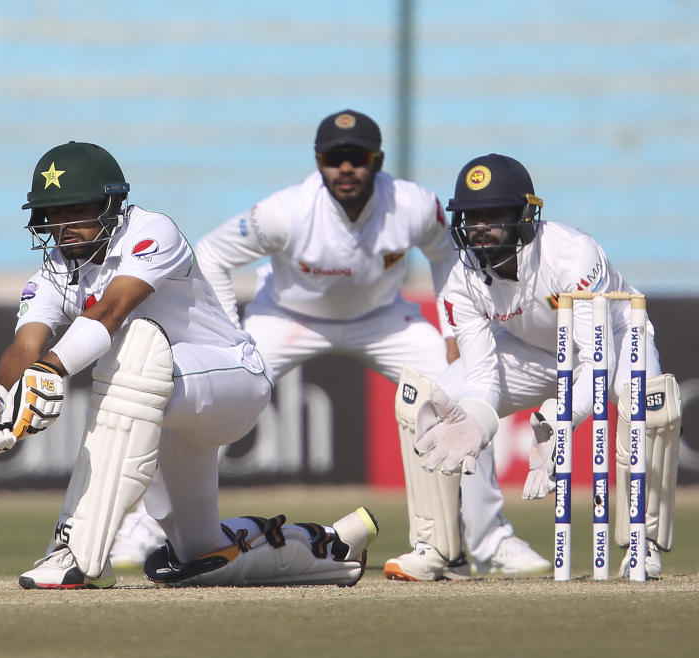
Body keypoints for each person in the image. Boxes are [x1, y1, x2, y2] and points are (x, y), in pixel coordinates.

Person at [0, 140, 379, 589]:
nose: (64, 227)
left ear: (111, 203)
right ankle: (332, 549)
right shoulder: (54, 272)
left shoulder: (152, 231)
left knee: (134, 351)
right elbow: (25, 346)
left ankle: (77, 552)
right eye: (52, 214)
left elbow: (111, 311)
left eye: (75, 209)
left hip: (230, 380)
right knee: (198, 552)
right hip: (162, 411)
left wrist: (51, 371)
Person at [185, 109, 547, 581]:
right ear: (319, 163)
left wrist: (452, 332)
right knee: (216, 401)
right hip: (287, 318)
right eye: (335, 159)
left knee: (456, 397)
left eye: (357, 157)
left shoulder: (414, 205)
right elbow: (211, 254)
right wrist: (229, 338)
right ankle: (160, 532)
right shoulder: (285, 212)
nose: (346, 168)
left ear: (377, 160)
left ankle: (487, 539)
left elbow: (444, 254)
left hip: (383, 320)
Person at [413, 153, 681, 579]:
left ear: (524, 214)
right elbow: (482, 375)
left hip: (615, 337)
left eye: (493, 214)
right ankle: (438, 548)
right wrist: (476, 422)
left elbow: (596, 359)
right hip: (528, 351)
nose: (480, 227)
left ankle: (641, 541)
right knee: (428, 401)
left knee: (649, 405)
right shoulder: (461, 281)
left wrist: (562, 417)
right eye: (471, 216)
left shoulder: (572, 254)